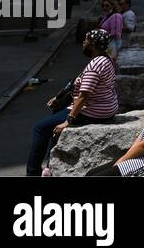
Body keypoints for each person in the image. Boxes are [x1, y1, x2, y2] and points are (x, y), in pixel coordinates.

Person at [27, 29, 119, 175]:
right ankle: (50, 166)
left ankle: (32, 173)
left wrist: (69, 121)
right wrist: (59, 98)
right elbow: (79, 85)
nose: (83, 42)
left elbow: (84, 95)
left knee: (41, 128)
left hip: (95, 110)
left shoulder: (95, 65)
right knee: (55, 114)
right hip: (105, 106)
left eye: (86, 40)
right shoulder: (106, 59)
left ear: (93, 44)